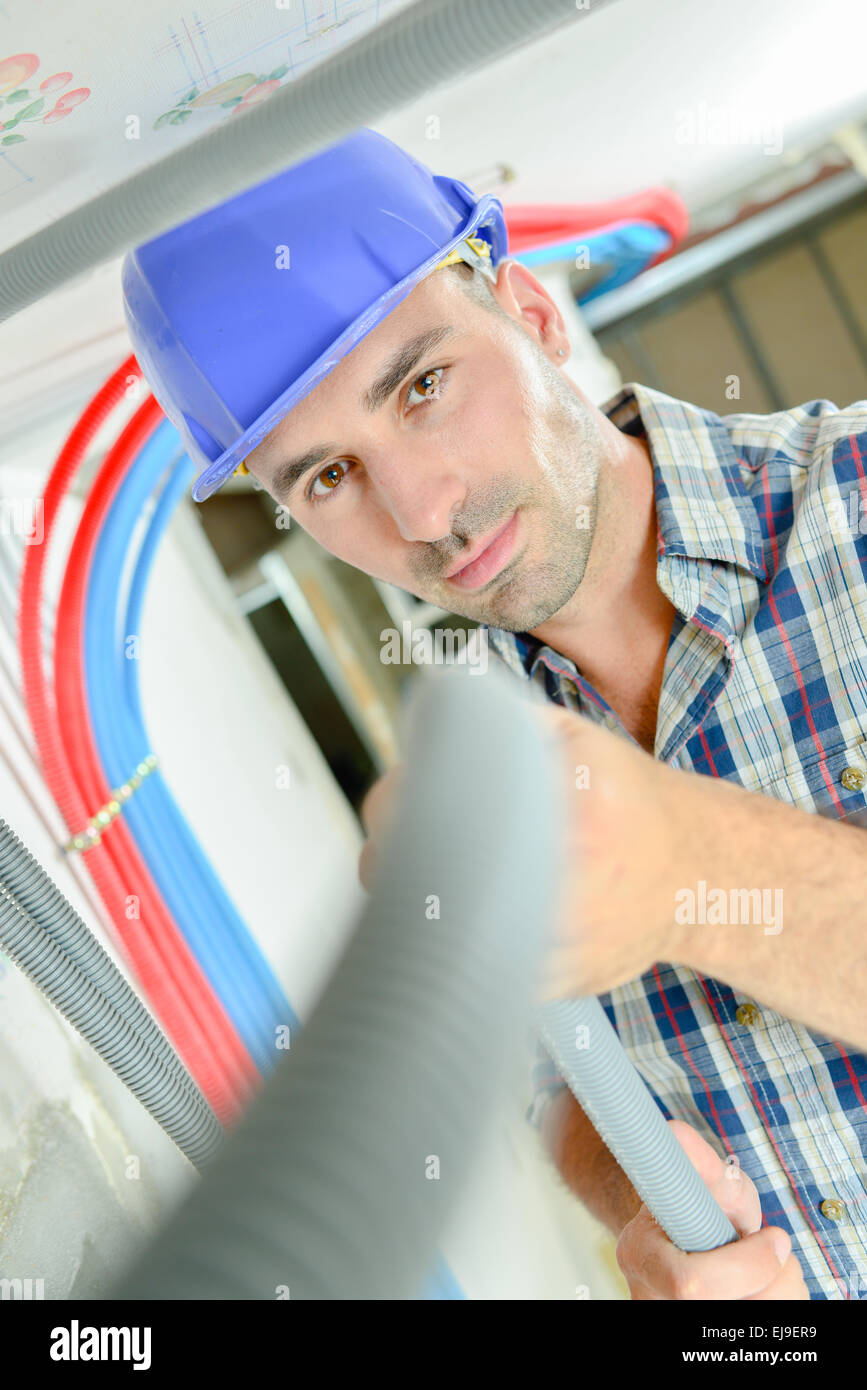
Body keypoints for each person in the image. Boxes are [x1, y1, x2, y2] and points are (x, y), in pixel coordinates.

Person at [123, 127, 867, 1302]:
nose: (422, 513)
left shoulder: (858, 500)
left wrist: (682, 868)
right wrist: (642, 1207)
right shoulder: (476, 756)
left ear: (531, 311)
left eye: (423, 387)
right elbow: (560, 1080)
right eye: (327, 476)